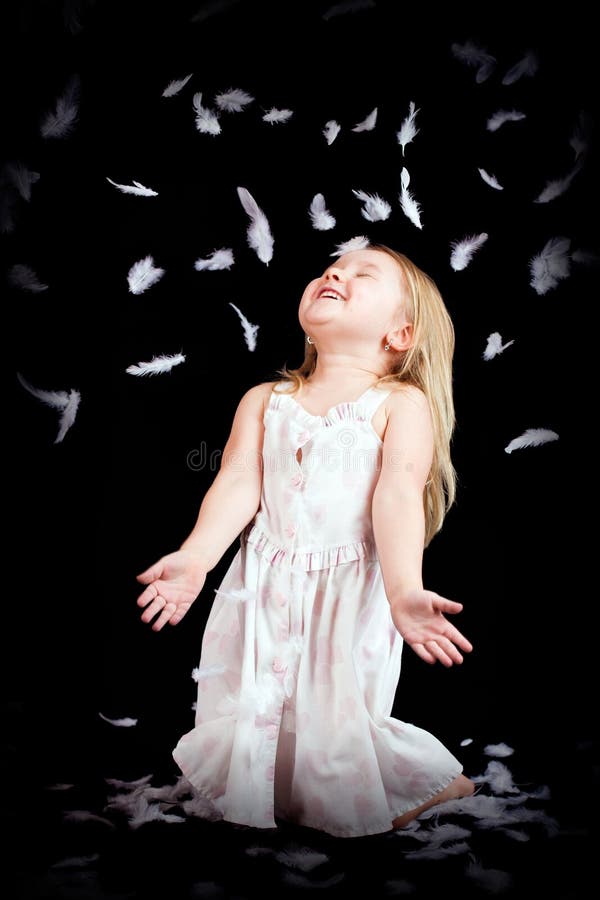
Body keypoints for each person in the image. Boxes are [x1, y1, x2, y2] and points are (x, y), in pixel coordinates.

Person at [135, 242, 475, 838]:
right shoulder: (265, 401)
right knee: (263, 708)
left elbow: (397, 496)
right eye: (330, 268)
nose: (335, 272)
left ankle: (419, 784)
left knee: (334, 720)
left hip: (345, 589)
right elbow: (238, 481)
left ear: (400, 334)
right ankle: (281, 795)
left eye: (362, 274)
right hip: (264, 582)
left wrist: (403, 591)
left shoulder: (399, 404)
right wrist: (196, 557)